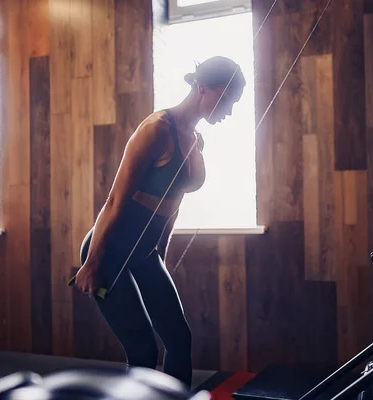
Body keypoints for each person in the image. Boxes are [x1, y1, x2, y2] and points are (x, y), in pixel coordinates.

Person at [73, 56, 246, 389]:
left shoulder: (196, 139)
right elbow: (114, 201)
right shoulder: (156, 130)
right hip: (109, 254)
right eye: (225, 100)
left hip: (146, 253)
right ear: (202, 88)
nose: (227, 111)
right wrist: (92, 263)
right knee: (143, 351)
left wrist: (160, 256)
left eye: (233, 104)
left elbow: (172, 205)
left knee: (179, 339)